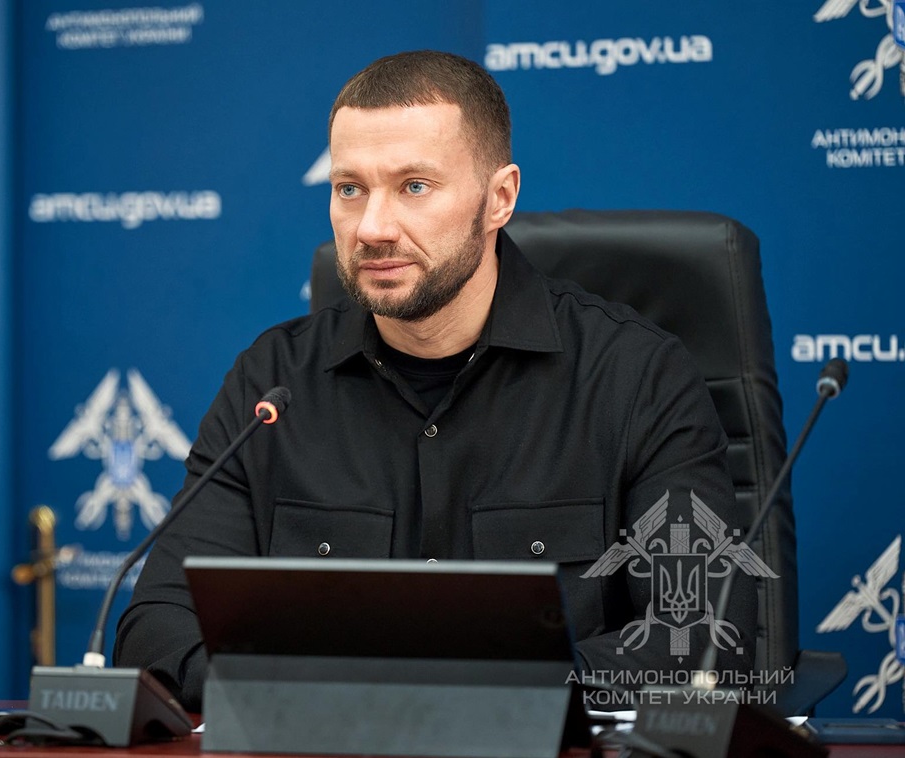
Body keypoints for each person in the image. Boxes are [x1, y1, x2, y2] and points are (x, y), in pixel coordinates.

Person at [115, 50, 755, 710]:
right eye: (349, 189)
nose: (372, 228)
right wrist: (361, 691)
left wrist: (463, 690)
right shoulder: (273, 383)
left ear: (499, 198)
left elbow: (703, 643)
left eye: (414, 186)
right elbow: (156, 633)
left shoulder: (635, 376)